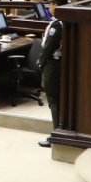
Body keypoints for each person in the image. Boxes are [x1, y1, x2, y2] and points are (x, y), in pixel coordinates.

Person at [35, 18, 64, 148]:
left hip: (52, 64)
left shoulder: (57, 24)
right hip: (59, 63)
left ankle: (57, 136)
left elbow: (49, 46)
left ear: (54, 4)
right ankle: (59, 133)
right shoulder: (65, 22)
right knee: (56, 100)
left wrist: (40, 61)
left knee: (53, 100)